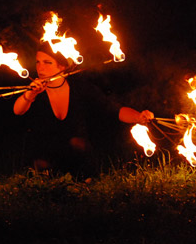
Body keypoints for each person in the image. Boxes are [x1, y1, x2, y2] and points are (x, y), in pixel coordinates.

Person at [13, 43, 153, 174]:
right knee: (42, 163)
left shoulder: (81, 88)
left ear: (62, 66)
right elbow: (18, 110)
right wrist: (30, 94)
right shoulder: (34, 91)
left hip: (79, 161)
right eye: (38, 62)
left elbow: (115, 110)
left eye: (47, 62)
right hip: (44, 162)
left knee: (77, 143)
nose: (40, 67)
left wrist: (138, 117)